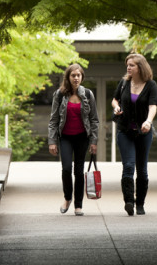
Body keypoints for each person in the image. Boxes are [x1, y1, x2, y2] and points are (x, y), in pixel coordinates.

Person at [48, 63, 99, 216]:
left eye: (78, 75)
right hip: (65, 137)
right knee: (66, 169)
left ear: (82, 77)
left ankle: (78, 204)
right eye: (73, 75)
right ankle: (67, 198)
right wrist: (52, 141)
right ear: (68, 77)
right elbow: (53, 119)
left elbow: (94, 120)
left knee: (78, 171)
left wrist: (94, 141)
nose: (76, 78)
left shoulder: (88, 95)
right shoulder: (59, 94)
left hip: (82, 137)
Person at [111, 53, 157, 216]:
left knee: (142, 170)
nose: (128, 68)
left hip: (143, 132)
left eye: (132, 65)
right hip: (124, 131)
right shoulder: (124, 83)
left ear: (140, 67)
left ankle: (140, 204)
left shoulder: (151, 85)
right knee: (128, 166)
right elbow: (115, 99)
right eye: (127, 65)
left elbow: (153, 106)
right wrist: (116, 107)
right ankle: (129, 201)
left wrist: (148, 121)